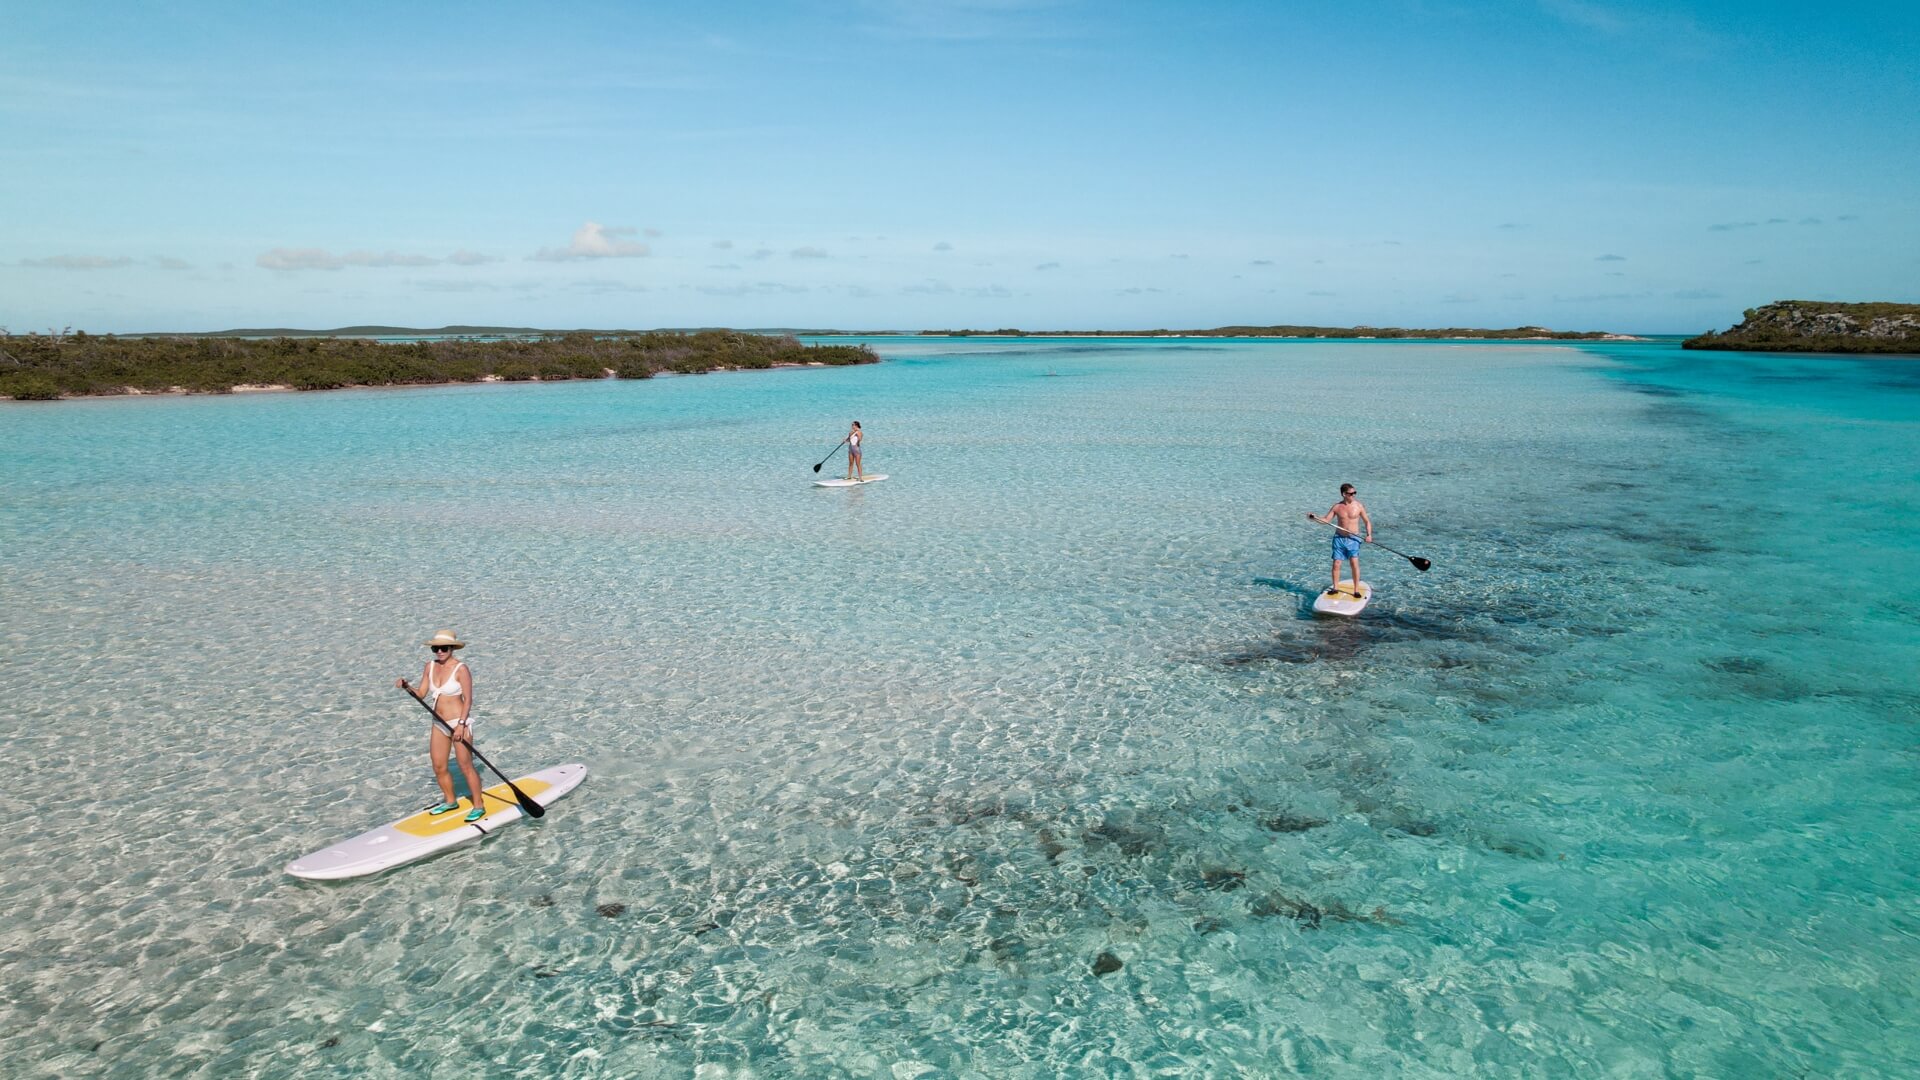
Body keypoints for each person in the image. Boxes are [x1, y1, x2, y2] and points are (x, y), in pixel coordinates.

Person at [396, 629, 487, 823]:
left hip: (458, 723)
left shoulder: (461, 669)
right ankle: (450, 801)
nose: (439, 652)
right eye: (435, 648)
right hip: (438, 723)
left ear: (452, 648)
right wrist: (407, 686)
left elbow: (468, 700)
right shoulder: (429, 666)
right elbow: (421, 694)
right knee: (438, 766)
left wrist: (461, 725)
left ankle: (478, 805)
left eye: (443, 648)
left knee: (465, 766)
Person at [1309, 484, 1372, 597]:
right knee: (1336, 564)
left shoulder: (1359, 506)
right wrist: (1315, 518)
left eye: (1354, 493)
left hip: (1353, 539)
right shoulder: (1337, 507)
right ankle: (1335, 588)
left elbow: (1367, 521)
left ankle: (1356, 590)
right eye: (1351, 493)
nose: (1353, 495)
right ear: (1344, 494)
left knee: (1354, 563)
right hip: (1339, 538)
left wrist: (1369, 535)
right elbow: (1326, 521)